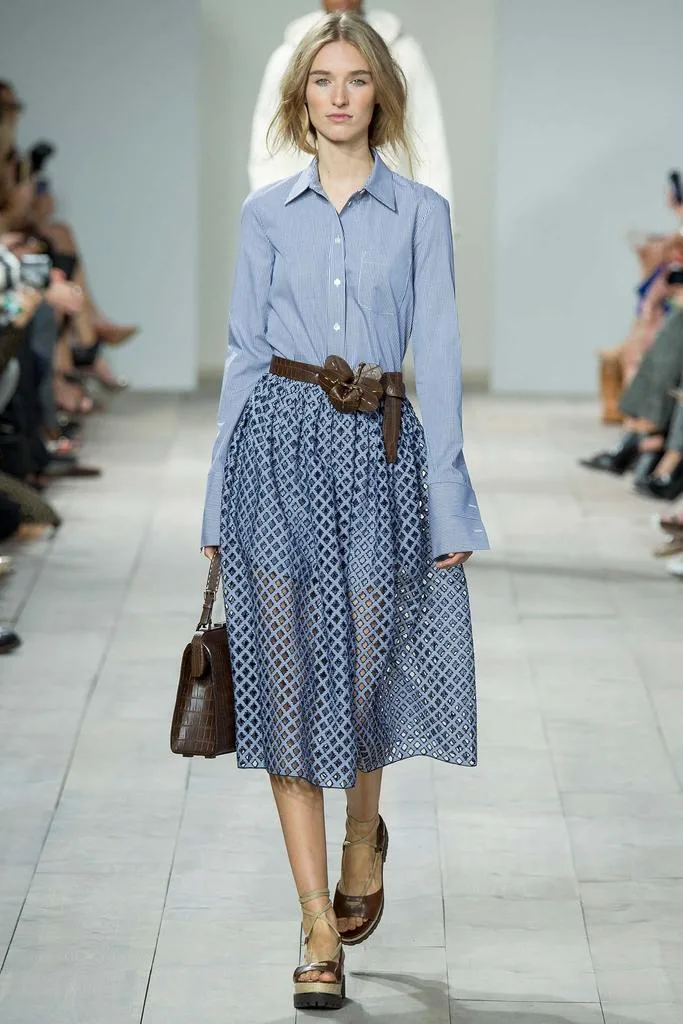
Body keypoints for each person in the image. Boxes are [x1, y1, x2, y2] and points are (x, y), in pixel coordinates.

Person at [200, 12, 488, 1012]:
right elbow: (243, 354)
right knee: (286, 686)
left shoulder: (419, 214)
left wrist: (449, 503)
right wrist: (216, 499)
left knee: (363, 672)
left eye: (354, 79)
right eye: (321, 79)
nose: (336, 95)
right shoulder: (263, 214)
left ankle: (364, 834)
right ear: (300, 97)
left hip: (377, 451)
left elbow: (438, 359)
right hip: (276, 451)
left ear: (378, 96)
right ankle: (316, 924)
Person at [248, 0, 454, 216]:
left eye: (358, 81)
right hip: (300, 215)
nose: (339, 99)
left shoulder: (405, 55)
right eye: (322, 81)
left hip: (395, 215)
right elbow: (266, 153)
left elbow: (429, 144)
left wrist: (439, 224)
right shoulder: (284, 60)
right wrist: (272, 220)